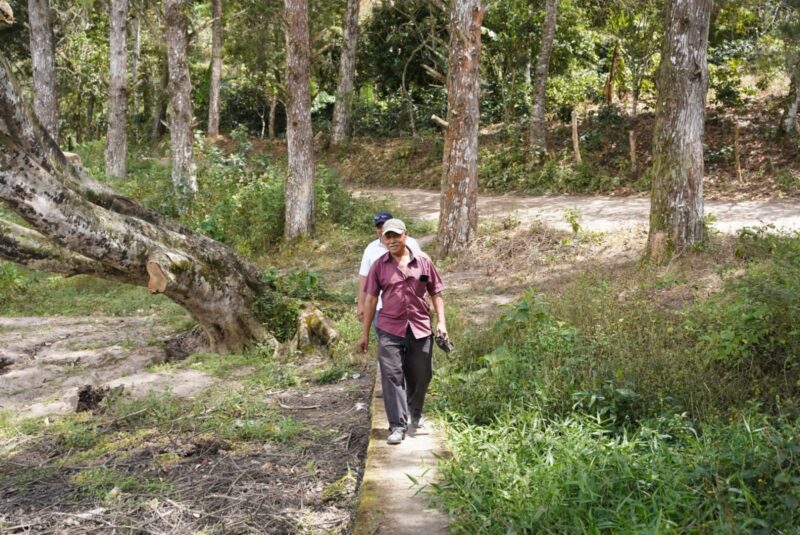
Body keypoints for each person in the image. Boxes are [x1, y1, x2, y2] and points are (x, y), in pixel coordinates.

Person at [359, 218, 448, 445]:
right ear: (383, 239)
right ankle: (397, 426)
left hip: (420, 327)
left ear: (405, 235)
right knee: (392, 376)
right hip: (389, 327)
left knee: (422, 375)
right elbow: (370, 300)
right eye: (387, 236)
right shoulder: (379, 265)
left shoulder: (423, 262)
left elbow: (436, 292)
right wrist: (365, 333)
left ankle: (415, 412)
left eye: (395, 236)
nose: (391, 240)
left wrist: (441, 323)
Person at [357, 210, 422, 399]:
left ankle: (409, 386)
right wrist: (361, 304)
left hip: (409, 309)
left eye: (385, 225)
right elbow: (364, 279)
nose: (382, 230)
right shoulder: (371, 250)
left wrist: (422, 293)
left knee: (409, 348)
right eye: (379, 227)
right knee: (387, 349)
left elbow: (424, 270)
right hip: (380, 310)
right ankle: (392, 387)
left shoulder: (411, 245)